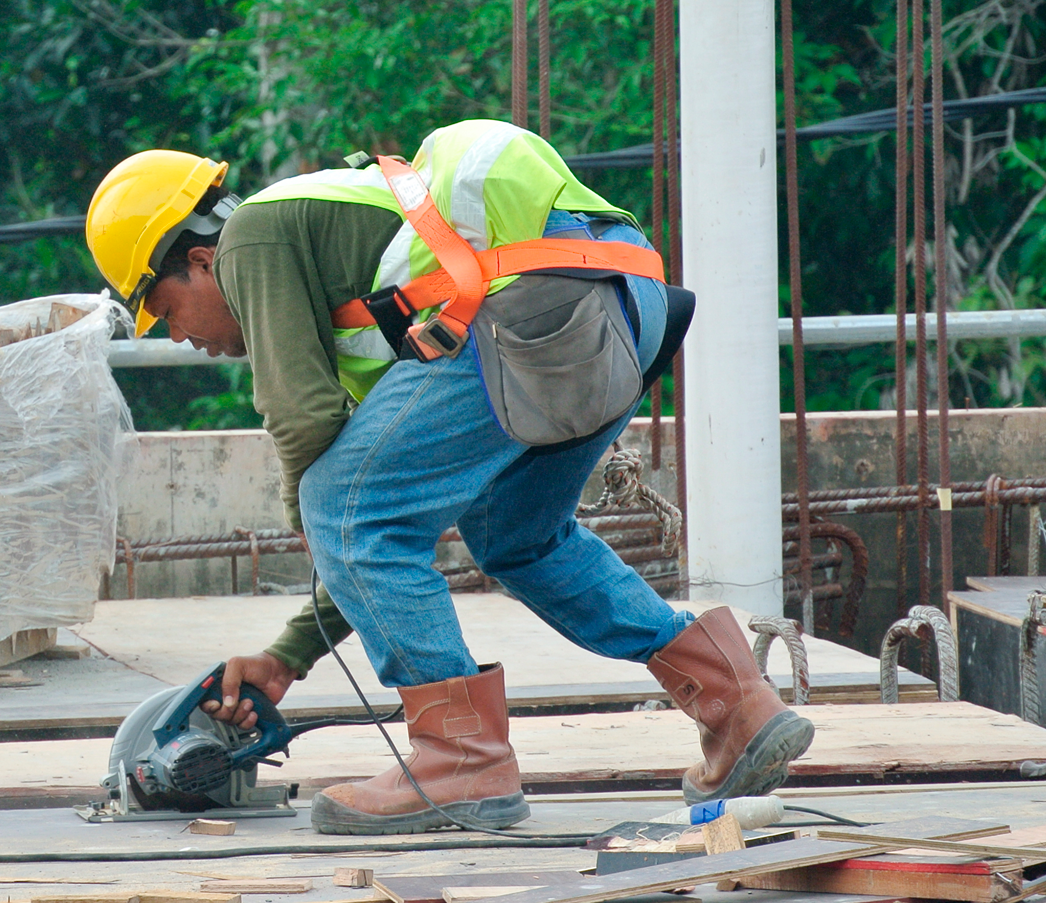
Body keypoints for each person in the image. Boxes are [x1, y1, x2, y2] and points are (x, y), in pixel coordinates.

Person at [84, 120, 815, 835]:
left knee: (339, 502)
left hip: (533, 305)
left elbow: (311, 440)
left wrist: (315, 517)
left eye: (164, 309)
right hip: (621, 303)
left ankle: (461, 760)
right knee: (515, 536)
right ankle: (734, 701)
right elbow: (385, 530)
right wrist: (288, 658)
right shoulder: (358, 286)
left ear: (204, 260)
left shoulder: (253, 238)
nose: (180, 338)